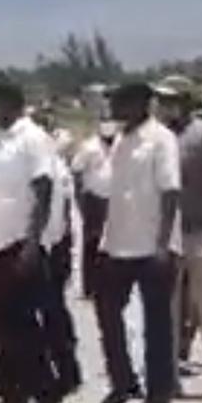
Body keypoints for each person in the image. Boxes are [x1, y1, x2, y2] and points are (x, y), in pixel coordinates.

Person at [0, 80, 61, 403]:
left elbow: (43, 187)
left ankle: (28, 392)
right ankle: (22, 389)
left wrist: (33, 241)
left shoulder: (32, 138)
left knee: (15, 323)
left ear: (14, 102)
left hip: (16, 243)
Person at [93, 82, 182, 403]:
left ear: (141, 104)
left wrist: (163, 244)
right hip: (117, 243)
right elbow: (106, 187)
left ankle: (159, 393)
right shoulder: (119, 140)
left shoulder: (161, 139)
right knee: (107, 311)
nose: (114, 108)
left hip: (151, 245)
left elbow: (171, 191)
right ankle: (123, 381)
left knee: (156, 321)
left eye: (120, 102)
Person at [156, 75, 202, 399]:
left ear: (187, 100)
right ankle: (169, 375)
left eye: (172, 99)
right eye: (162, 100)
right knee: (167, 309)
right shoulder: (158, 136)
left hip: (201, 231)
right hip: (167, 236)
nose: (165, 105)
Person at [40, 147, 84, 398]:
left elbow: (60, 214)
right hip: (55, 244)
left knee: (52, 311)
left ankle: (66, 371)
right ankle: (66, 370)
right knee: (53, 311)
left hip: (53, 246)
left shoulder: (54, 168)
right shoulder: (55, 166)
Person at [71, 120, 116, 298]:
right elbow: (76, 170)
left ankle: (108, 285)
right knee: (91, 242)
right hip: (93, 199)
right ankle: (89, 287)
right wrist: (80, 199)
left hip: (115, 200)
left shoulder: (121, 144)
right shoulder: (89, 147)